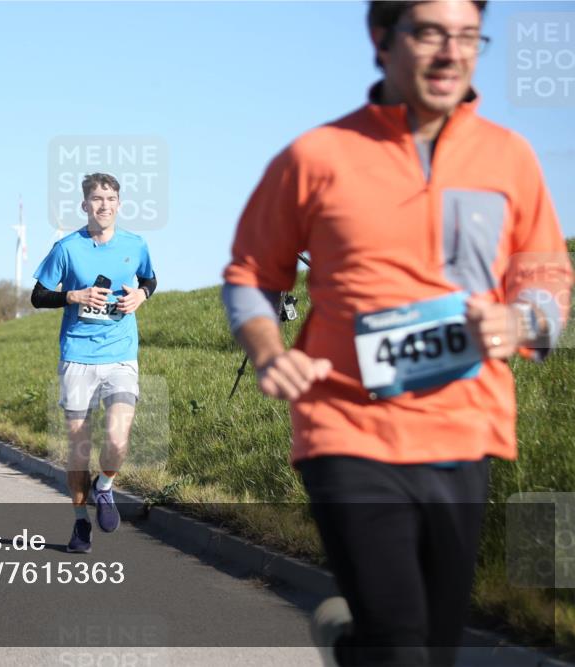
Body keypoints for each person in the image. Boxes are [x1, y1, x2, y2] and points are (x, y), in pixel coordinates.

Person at [221, 2, 572, 664]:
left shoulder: (509, 157)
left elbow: (548, 276)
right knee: (402, 644)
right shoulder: (316, 156)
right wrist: (268, 350)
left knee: (429, 647)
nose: (451, 53)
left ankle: (354, 645)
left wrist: (521, 319)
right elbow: (249, 276)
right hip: (346, 423)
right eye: (431, 33)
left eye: (468, 36)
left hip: (464, 427)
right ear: (382, 38)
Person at [31, 173, 157, 554]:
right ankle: (80, 523)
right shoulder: (67, 248)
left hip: (120, 355)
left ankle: (104, 487)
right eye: (96, 199)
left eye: (110, 198)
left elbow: (150, 279)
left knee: (118, 439)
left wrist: (141, 297)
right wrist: (74, 295)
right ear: (84, 205)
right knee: (78, 447)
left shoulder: (136, 245)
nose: (104, 205)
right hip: (77, 358)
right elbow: (38, 296)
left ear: (119, 204)